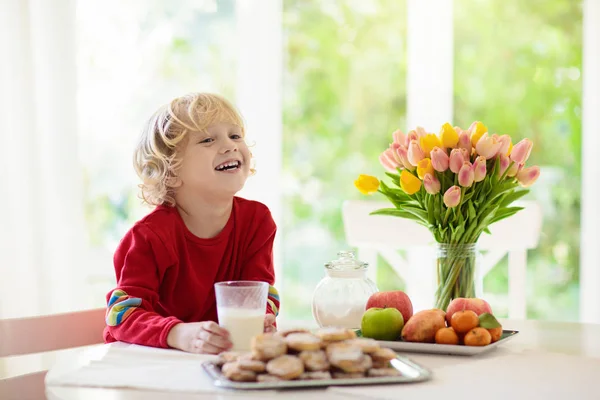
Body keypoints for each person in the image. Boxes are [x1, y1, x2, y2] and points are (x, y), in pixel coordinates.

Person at [103, 92, 280, 354]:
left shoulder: (257, 222)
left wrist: (262, 318)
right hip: (156, 365)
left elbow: (262, 292)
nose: (230, 145)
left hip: (220, 362)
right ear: (171, 172)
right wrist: (179, 334)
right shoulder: (149, 237)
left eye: (235, 135)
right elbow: (122, 315)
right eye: (208, 139)